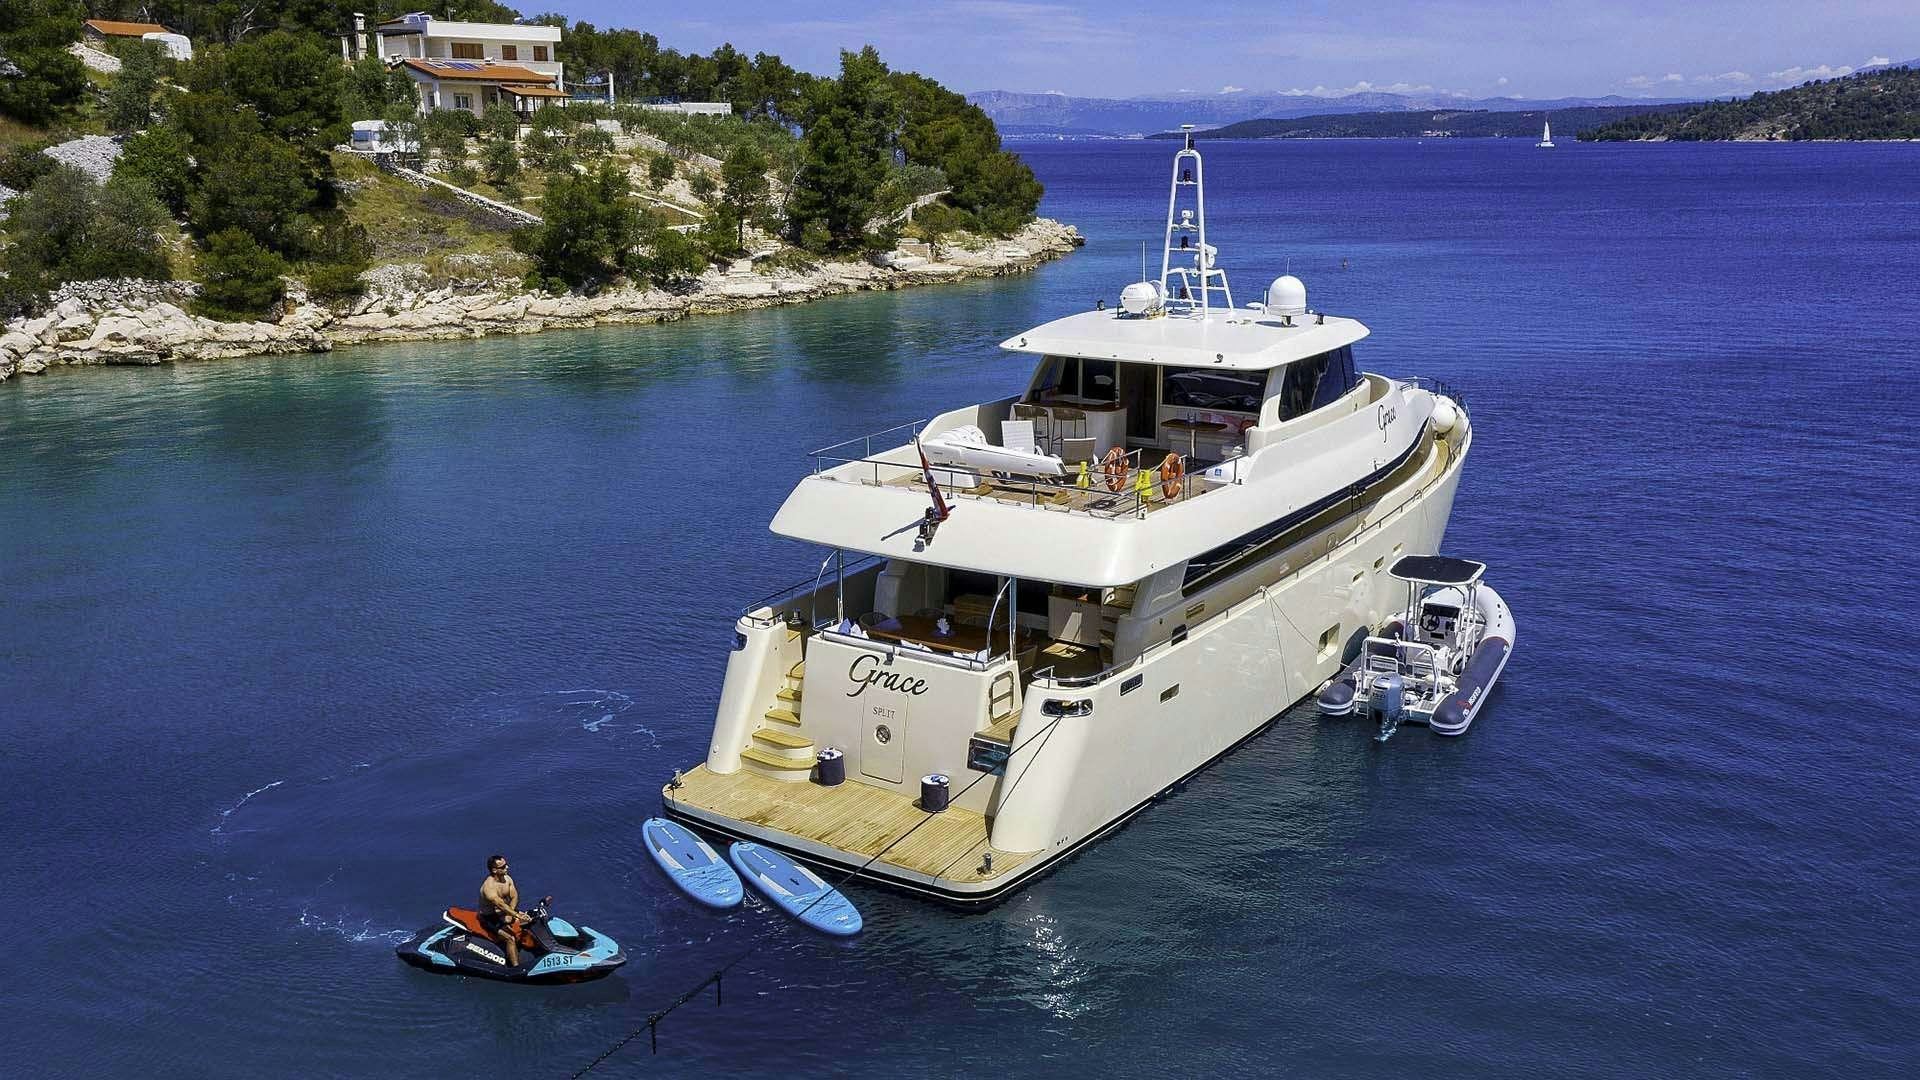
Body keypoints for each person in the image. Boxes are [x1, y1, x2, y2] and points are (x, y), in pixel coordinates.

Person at [478, 854, 530, 967]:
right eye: (503, 867)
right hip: (490, 918)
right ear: (494, 870)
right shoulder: (489, 887)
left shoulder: (507, 879)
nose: (507, 867)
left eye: (506, 865)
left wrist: (511, 914)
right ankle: (516, 968)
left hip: (505, 912)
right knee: (510, 938)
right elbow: (500, 904)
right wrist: (516, 915)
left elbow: (514, 896)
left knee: (529, 921)